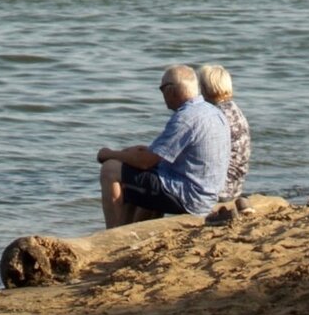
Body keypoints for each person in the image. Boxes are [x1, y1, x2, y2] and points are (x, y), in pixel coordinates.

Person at [97, 65, 230, 229]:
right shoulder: (213, 112)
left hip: (191, 198)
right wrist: (130, 155)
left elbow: (146, 161)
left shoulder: (185, 118)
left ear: (171, 90)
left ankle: (112, 235)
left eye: (162, 89)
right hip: (207, 194)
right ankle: (130, 230)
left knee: (110, 170)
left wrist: (109, 154)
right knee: (136, 180)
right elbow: (157, 155)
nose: (162, 95)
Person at [198, 64, 251, 203]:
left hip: (220, 189)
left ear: (205, 88)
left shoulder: (216, 115)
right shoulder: (234, 110)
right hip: (235, 186)